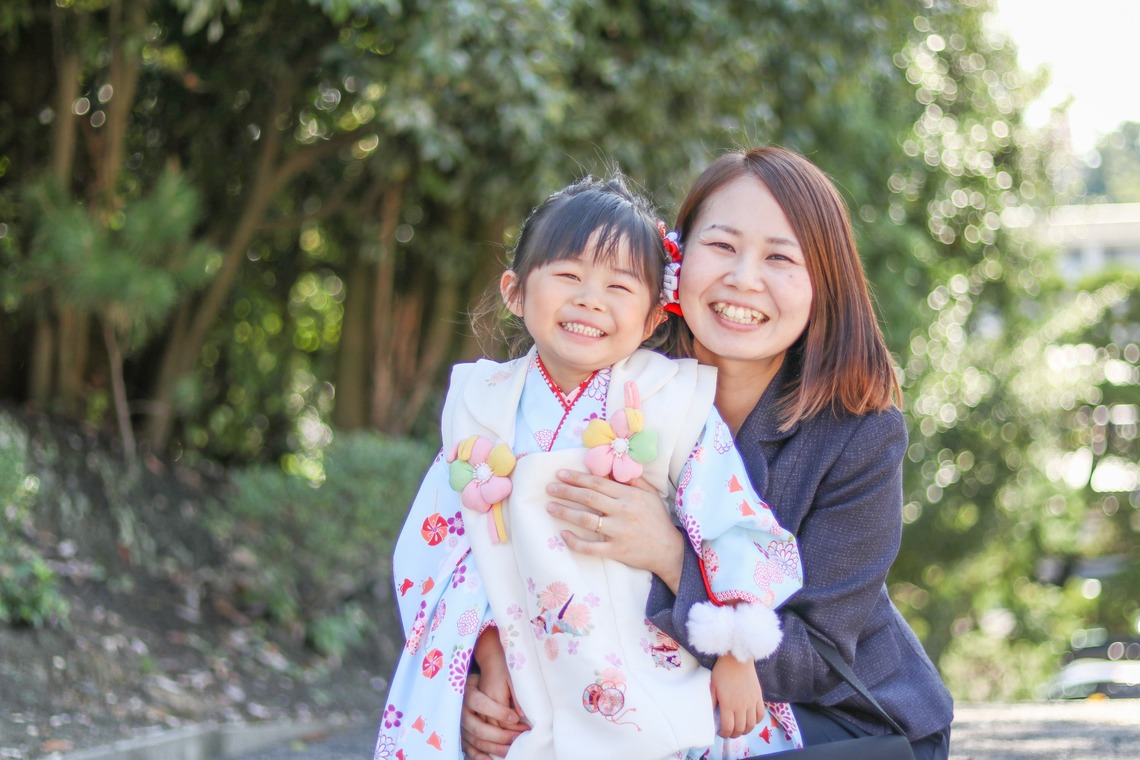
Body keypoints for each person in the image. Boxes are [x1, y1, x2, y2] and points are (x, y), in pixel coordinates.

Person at [461, 147, 954, 760]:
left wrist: (672, 556)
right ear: (676, 261)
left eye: (779, 257)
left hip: (831, 720)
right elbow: (505, 543)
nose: (744, 278)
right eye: (721, 246)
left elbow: (818, 656)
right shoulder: (603, 375)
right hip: (632, 696)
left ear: (821, 284)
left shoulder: (859, 433)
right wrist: (493, 673)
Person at [375, 174, 808, 760]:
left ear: (656, 316)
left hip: (645, 670)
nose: (590, 300)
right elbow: (436, 547)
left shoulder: (672, 404)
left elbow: (733, 523)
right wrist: (486, 653)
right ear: (514, 291)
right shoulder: (481, 403)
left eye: (619, 286)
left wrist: (733, 650)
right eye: (569, 276)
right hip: (520, 666)